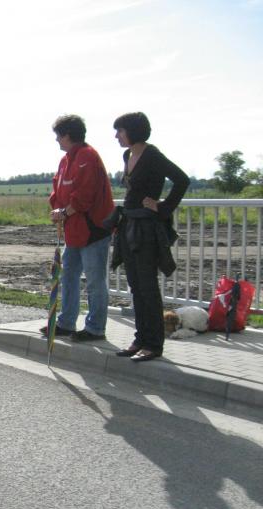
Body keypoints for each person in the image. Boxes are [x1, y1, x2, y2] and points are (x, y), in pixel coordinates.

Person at [111, 112, 189, 362]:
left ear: (133, 131)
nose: (116, 136)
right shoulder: (127, 155)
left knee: (147, 287)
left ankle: (154, 344)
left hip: (146, 228)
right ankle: (140, 339)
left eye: (120, 131)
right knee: (135, 285)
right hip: (129, 224)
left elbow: (182, 180)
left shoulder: (152, 154)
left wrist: (162, 207)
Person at [41, 115, 115, 342]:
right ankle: (66, 322)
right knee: (68, 276)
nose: (57, 140)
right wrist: (57, 210)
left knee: (94, 280)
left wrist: (64, 212)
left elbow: (85, 195)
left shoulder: (88, 157)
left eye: (58, 136)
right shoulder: (65, 161)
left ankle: (96, 328)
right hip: (74, 231)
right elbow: (58, 190)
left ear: (68, 135)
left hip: (94, 230)